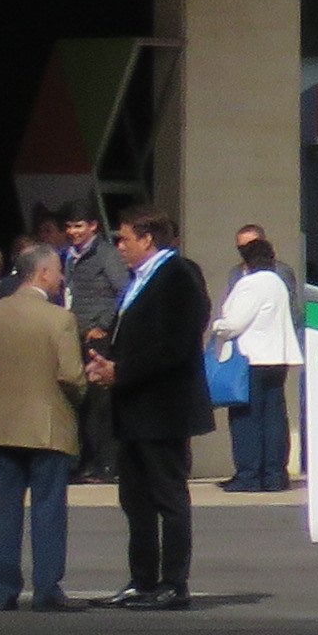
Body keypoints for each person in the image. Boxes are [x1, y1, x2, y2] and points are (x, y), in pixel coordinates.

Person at [0, 243, 85, 608]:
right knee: (48, 509)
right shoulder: (60, 319)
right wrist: (80, 397)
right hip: (47, 424)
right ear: (42, 273)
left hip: (1, 424)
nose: (61, 277)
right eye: (58, 270)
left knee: (6, 509)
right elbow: (71, 376)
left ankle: (2, 589)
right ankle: (46, 590)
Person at [89, 209, 208, 608]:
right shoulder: (140, 279)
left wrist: (122, 370)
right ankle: (142, 580)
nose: (119, 247)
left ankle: (174, 583)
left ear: (147, 239)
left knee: (168, 496)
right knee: (134, 498)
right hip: (135, 408)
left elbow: (176, 344)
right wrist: (106, 363)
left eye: (124, 239)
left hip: (164, 408)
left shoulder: (178, 274)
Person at [213, 225, 303, 492]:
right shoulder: (278, 281)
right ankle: (274, 474)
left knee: (245, 419)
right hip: (278, 357)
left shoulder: (250, 284)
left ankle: (248, 475)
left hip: (252, 359)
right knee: (274, 417)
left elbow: (234, 323)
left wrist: (218, 326)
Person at [57, 209, 122, 484]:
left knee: (101, 403)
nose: (74, 232)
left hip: (97, 339)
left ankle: (105, 464)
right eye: (70, 226)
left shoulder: (106, 254)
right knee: (78, 401)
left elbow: (124, 289)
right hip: (73, 336)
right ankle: (84, 462)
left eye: (79, 226)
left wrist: (104, 325)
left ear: (93, 226)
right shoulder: (67, 255)